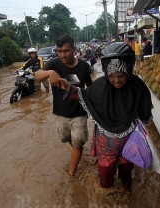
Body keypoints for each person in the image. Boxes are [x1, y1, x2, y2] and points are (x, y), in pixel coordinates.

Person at [57, 42, 153, 190]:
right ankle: (108, 194)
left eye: (121, 76)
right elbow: (84, 95)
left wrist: (145, 120)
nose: (117, 81)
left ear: (128, 70)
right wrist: (69, 88)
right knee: (105, 172)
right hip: (106, 140)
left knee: (127, 168)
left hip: (129, 138)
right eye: (112, 76)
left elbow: (145, 109)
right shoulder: (100, 86)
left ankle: (127, 188)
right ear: (107, 74)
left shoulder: (138, 86)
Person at [34, 34, 92, 176]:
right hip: (61, 112)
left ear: (74, 50)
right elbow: (36, 76)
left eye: (66, 51)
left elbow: (91, 87)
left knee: (77, 142)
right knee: (66, 138)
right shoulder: (54, 64)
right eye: (59, 51)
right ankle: (76, 149)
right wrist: (49, 73)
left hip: (79, 112)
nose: (62, 55)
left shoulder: (84, 66)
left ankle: (71, 174)